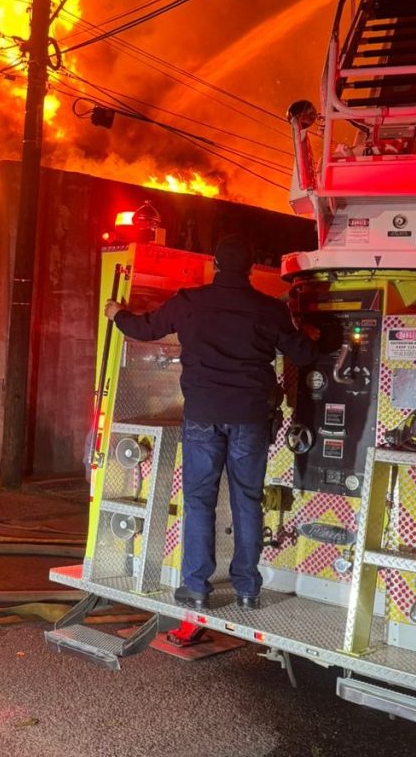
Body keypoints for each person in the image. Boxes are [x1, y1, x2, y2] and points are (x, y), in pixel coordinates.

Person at [104, 235, 317, 611]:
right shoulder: (268, 309)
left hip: (203, 416)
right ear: (250, 269)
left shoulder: (189, 302)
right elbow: (302, 353)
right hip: (250, 418)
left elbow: (145, 329)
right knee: (247, 501)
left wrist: (116, 313)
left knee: (199, 502)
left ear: (215, 265)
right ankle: (248, 588)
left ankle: (197, 587)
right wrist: (313, 335)